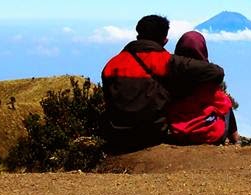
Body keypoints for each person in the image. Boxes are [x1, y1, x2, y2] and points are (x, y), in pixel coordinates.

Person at [100, 15, 224, 153]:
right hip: (152, 134)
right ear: (165, 40)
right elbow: (216, 72)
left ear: (138, 35)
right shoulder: (164, 61)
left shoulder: (112, 64)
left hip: (115, 135)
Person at [164, 31, 240, 145]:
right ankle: (235, 140)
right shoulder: (209, 77)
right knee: (225, 101)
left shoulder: (171, 76)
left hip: (179, 134)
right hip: (210, 136)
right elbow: (223, 105)